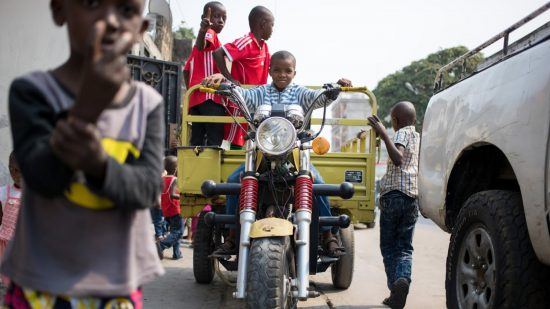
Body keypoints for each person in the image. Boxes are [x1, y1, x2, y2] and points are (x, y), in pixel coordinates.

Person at [3, 0, 164, 306]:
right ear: (59, 9)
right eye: (92, 3)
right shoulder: (33, 92)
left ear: (141, 30)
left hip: (116, 285)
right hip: (39, 283)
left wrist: (99, 165)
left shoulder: (147, 104)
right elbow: (40, 178)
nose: (111, 21)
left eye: (127, 10)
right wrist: (88, 106)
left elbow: (146, 189)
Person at [204, 50, 352, 257]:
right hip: (261, 153)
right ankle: (232, 235)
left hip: (294, 154)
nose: (282, 74)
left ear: (294, 72)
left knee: (316, 182)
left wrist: (335, 89)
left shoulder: (301, 93)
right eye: (277, 70)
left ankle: (328, 235)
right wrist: (223, 85)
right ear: (270, 71)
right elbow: (241, 96)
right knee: (233, 181)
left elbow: (319, 99)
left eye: (287, 71)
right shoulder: (260, 92)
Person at [368, 102, 420, 309]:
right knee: (404, 247)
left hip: (393, 196)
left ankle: (395, 287)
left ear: (396, 121)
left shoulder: (400, 134)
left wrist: (382, 131)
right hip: (411, 198)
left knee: (389, 247)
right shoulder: (418, 137)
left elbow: (397, 158)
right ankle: (403, 280)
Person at [213, 5, 274, 149]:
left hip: (257, 100)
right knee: (236, 139)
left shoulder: (264, 46)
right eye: (272, 25)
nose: (273, 30)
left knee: (255, 138)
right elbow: (218, 53)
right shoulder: (247, 42)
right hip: (240, 101)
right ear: (263, 24)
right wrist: (229, 78)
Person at [183, 2, 227, 146]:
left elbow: (186, 70)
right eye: (216, 16)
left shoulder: (194, 51)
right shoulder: (210, 33)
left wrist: (192, 91)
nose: (220, 20)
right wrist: (203, 29)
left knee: (196, 141)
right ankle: (212, 168)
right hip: (210, 97)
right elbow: (203, 44)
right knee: (214, 141)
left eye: (224, 18)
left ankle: (195, 168)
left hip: (196, 99)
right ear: (205, 17)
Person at [0, 152, 22, 286]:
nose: (14, 173)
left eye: (19, 170)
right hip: (5, 244)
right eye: (12, 169)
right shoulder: (4, 192)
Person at [157, 156, 183, 260]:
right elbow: (172, 194)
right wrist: (183, 197)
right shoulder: (175, 180)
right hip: (175, 209)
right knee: (178, 232)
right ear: (177, 168)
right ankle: (160, 245)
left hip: (166, 210)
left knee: (173, 232)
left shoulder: (162, 179)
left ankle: (176, 254)